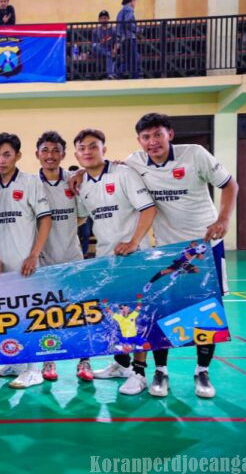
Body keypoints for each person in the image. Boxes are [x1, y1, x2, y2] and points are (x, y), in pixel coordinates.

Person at [125, 112, 238, 398]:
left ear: (170, 135)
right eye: (146, 137)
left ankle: (202, 371)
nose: (153, 142)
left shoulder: (195, 154)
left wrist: (224, 219)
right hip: (167, 250)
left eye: (158, 134)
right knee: (163, 309)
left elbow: (229, 184)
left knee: (207, 309)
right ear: (139, 140)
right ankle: (161, 371)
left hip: (205, 247)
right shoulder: (134, 162)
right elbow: (108, 169)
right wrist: (78, 174)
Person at [72, 128, 156, 395]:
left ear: (104, 149)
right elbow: (81, 218)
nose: (87, 151)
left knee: (137, 315)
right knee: (116, 316)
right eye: (82, 148)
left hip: (133, 258)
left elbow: (148, 208)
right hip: (105, 260)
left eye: (93, 146)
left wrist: (133, 242)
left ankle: (140, 373)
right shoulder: (82, 184)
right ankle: (121, 364)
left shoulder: (123, 173)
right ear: (76, 153)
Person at [0, 133, 51, 389]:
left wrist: (34, 254)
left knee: (29, 316)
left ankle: (34, 370)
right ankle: (16, 363)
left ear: (18, 156)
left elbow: (45, 219)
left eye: (7, 154)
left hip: (26, 265)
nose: (1, 160)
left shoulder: (31, 182)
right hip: (2, 267)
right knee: (8, 316)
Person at [34, 132, 94, 382]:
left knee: (79, 311)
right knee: (46, 314)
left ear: (63, 154)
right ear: (37, 154)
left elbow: (82, 217)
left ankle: (84, 361)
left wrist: (64, 231)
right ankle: (49, 361)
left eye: (55, 150)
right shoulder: (30, 184)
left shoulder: (73, 180)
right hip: (43, 261)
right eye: (45, 150)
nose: (50, 155)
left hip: (72, 257)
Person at [116, 0, 140, 79]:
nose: (135, 4)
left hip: (124, 38)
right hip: (129, 37)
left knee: (128, 59)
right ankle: (135, 77)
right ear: (131, 1)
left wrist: (119, 39)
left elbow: (119, 27)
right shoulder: (129, 9)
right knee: (134, 59)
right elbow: (128, 22)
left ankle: (118, 73)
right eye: (134, 1)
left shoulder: (120, 11)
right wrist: (137, 29)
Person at [92, 10, 118, 79]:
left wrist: (115, 50)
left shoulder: (113, 30)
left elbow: (117, 42)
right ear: (99, 19)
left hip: (110, 49)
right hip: (99, 50)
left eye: (105, 18)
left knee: (109, 54)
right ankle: (111, 74)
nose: (104, 20)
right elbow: (94, 44)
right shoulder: (95, 31)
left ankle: (109, 75)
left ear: (108, 18)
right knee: (95, 46)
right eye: (102, 18)